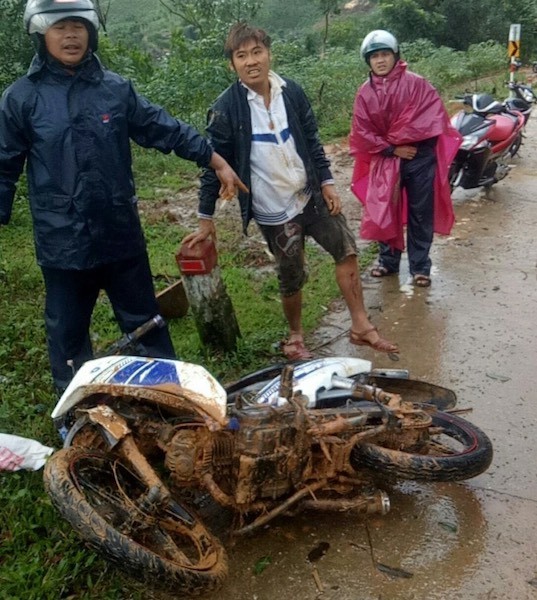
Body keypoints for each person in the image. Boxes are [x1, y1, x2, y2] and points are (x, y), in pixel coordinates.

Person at [0, 0, 246, 395]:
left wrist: (213, 158)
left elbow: (162, 127)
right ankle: (77, 415)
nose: (71, 35)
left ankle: (169, 400)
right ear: (40, 33)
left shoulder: (114, 89)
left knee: (147, 326)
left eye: (78, 26)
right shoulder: (21, 98)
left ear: (91, 31)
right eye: (60, 27)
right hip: (62, 244)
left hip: (120, 236)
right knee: (67, 338)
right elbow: (3, 163)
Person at [184, 22, 397, 360]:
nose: (252, 61)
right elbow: (215, 165)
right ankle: (296, 335)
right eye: (242, 56)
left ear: (269, 54)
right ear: (232, 64)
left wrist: (326, 182)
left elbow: (311, 140)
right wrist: (205, 217)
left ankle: (360, 325)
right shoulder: (226, 108)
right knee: (290, 273)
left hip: (309, 194)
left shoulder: (291, 92)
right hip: (272, 206)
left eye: (257, 52)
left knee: (346, 250)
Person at [349, 30, 461, 287]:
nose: (380, 60)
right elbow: (362, 131)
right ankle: (388, 261)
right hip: (386, 158)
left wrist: (412, 144)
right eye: (374, 56)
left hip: (420, 159)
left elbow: (434, 119)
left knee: (420, 214)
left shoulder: (417, 84)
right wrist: (392, 148)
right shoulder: (365, 93)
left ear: (395, 55)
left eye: (385, 54)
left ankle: (420, 267)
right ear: (368, 61)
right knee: (384, 208)